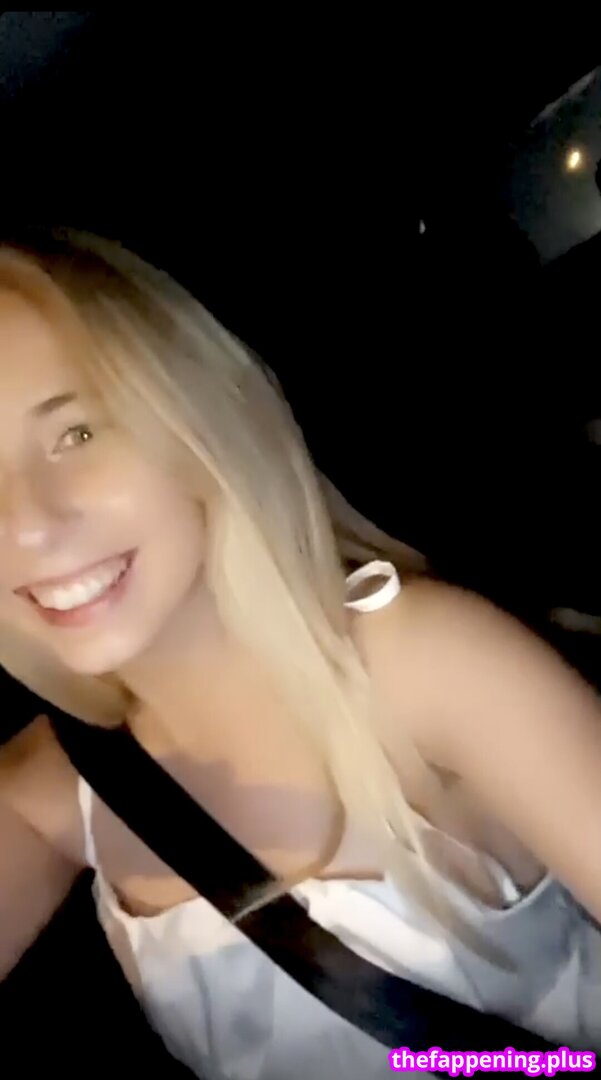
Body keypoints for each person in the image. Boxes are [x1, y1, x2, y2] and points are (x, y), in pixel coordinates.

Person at [0, 229, 599, 1080]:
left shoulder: (424, 666)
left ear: (196, 410)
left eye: (77, 434)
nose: (26, 523)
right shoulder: (52, 788)